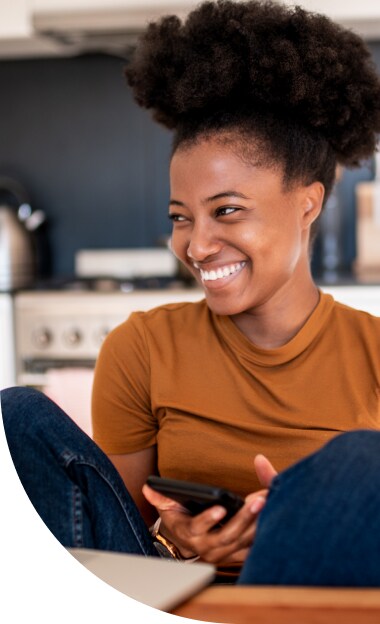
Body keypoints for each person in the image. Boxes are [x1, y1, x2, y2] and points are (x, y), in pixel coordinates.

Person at [2, 0, 380, 587]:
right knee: (16, 414)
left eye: (226, 210)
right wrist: (173, 545)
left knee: (361, 463)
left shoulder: (372, 351)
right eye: (181, 217)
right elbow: (114, 538)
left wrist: (315, 513)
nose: (197, 246)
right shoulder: (143, 347)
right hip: (165, 597)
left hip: (315, 593)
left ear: (308, 203)